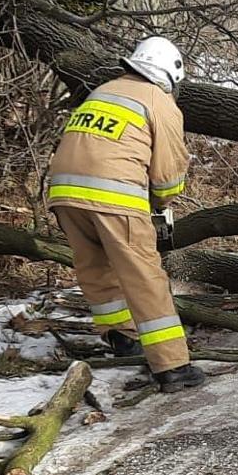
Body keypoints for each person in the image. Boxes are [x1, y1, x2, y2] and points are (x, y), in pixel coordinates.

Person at [45, 36, 202, 392]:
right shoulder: (158, 101)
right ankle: (172, 366)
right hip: (114, 197)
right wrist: (161, 203)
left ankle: (121, 337)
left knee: (96, 269)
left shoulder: (102, 93)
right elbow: (168, 174)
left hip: (65, 195)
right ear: (170, 76)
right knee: (145, 278)